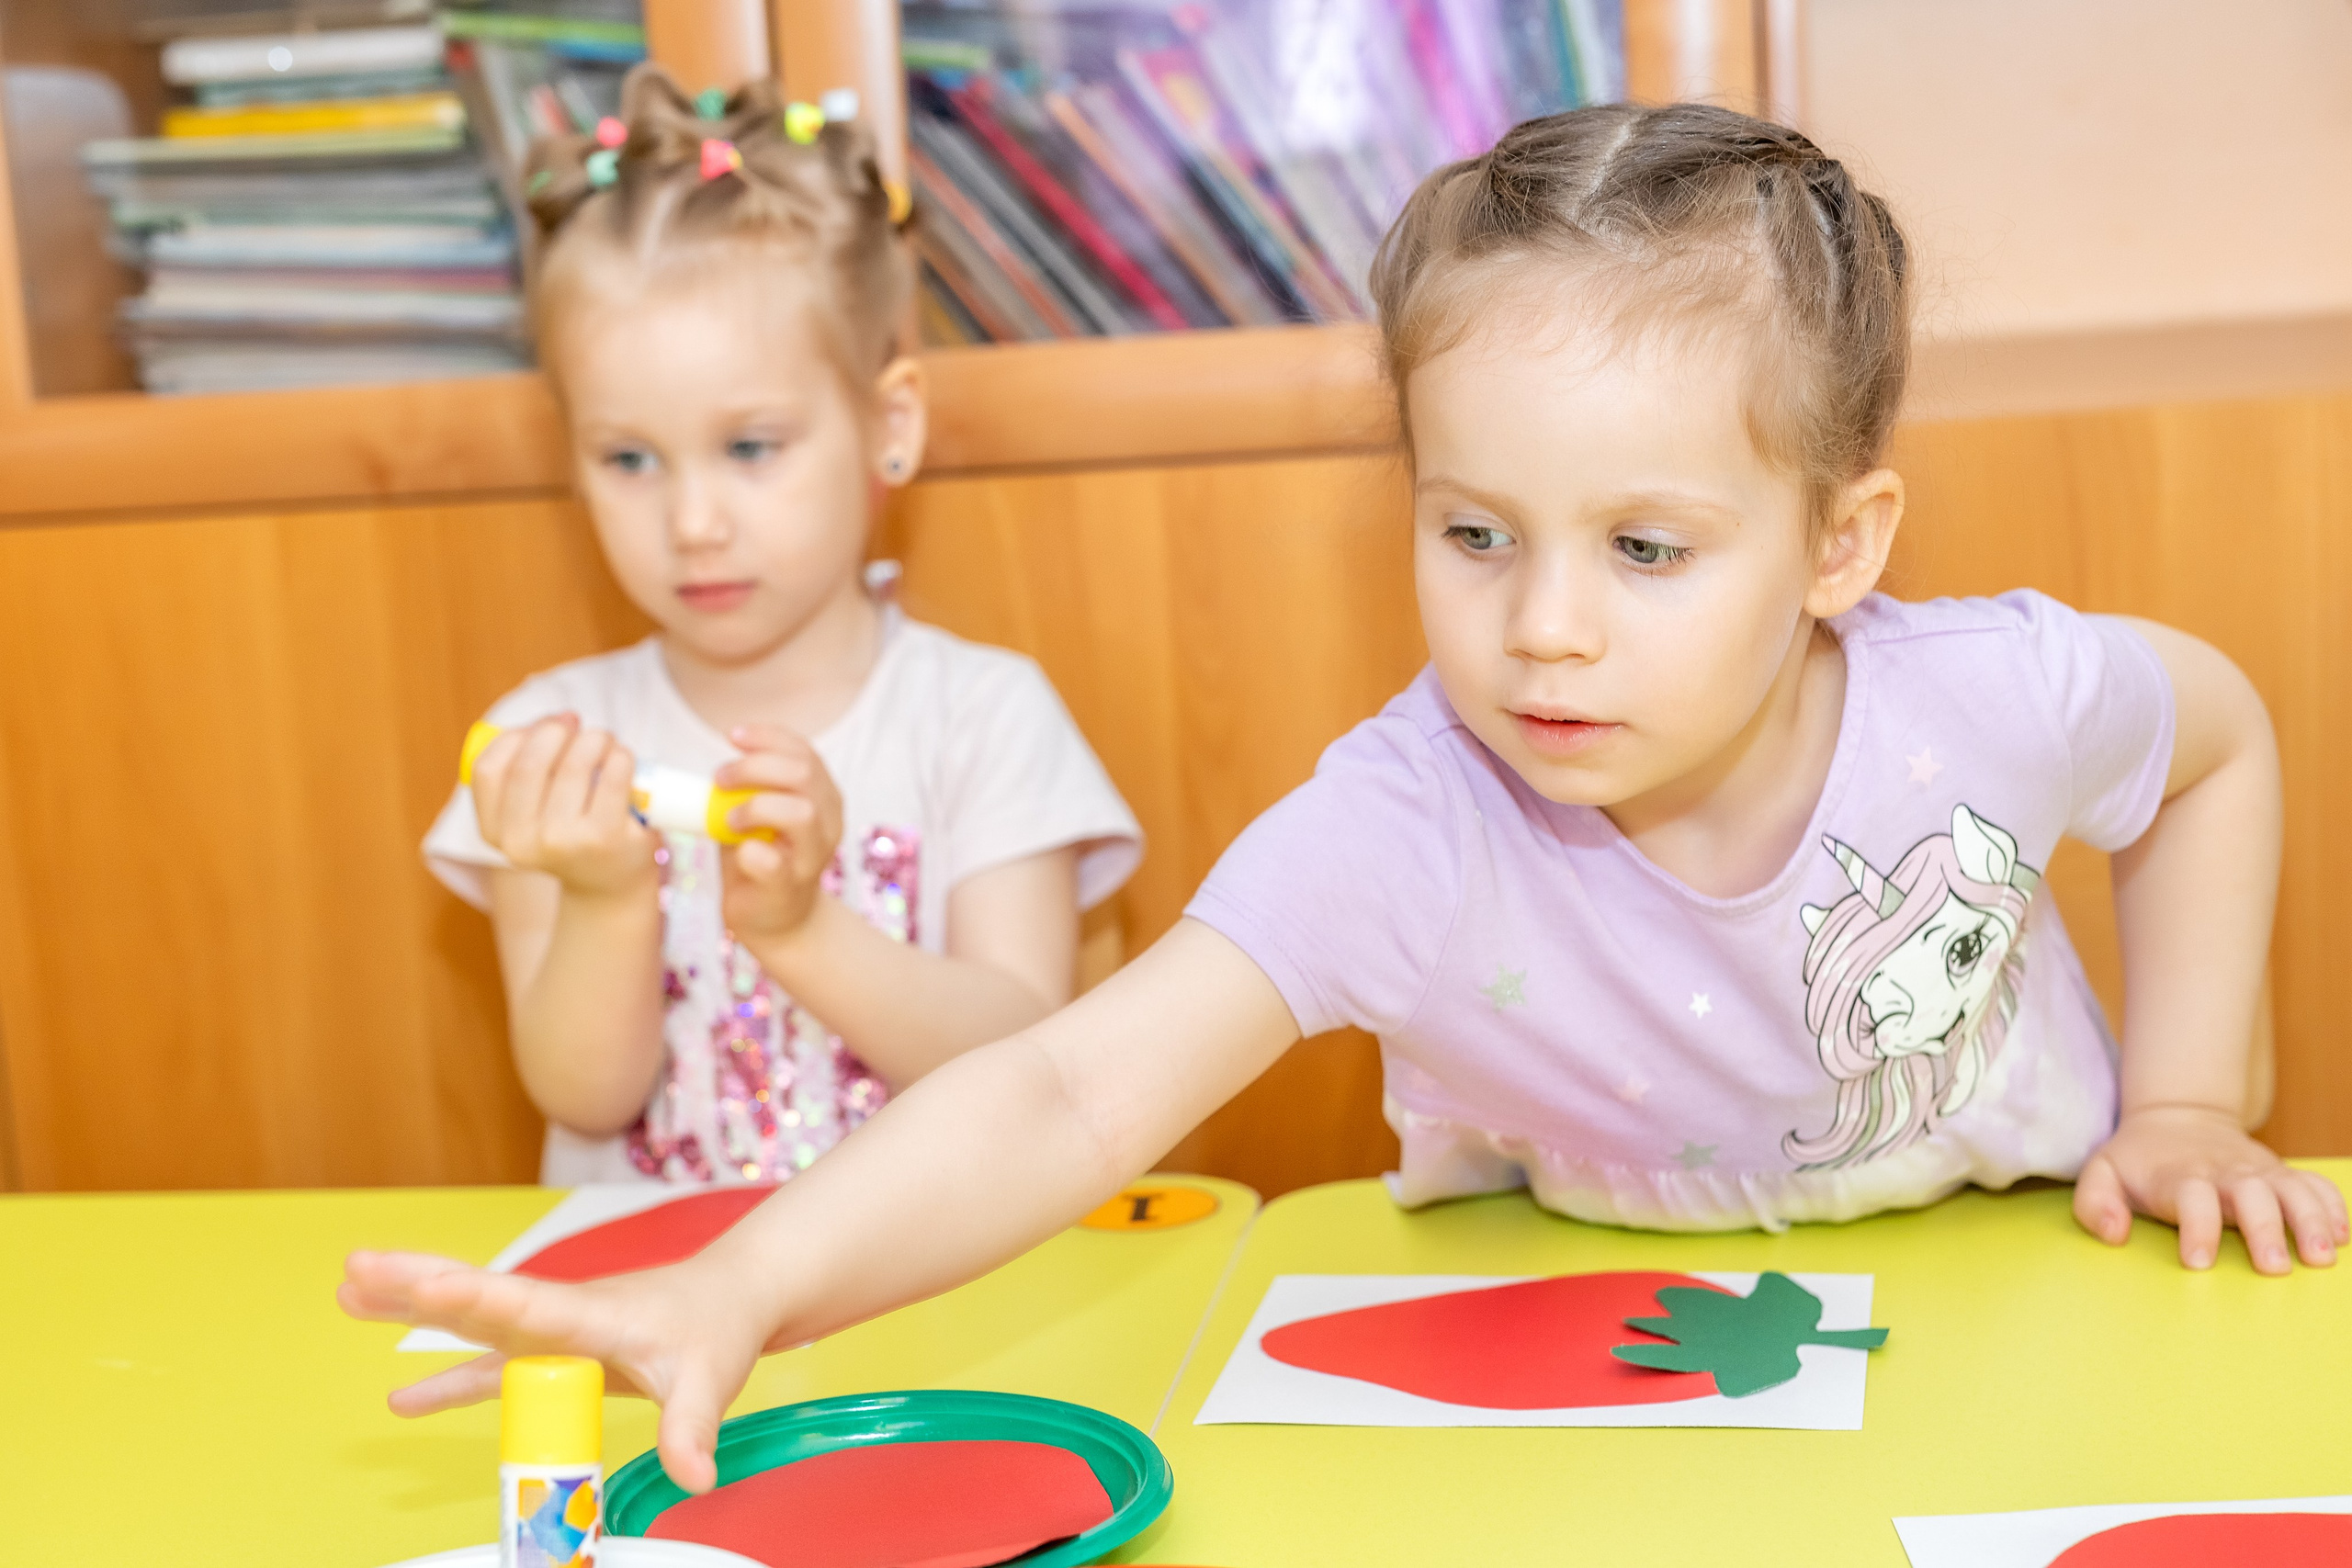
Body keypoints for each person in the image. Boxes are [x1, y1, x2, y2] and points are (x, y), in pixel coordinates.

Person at [350, 103, 2345, 1489]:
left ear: (1839, 542)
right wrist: (747, 1280)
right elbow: (1064, 1088)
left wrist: (2182, 1096)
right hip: (1588, 1325)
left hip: (2023, 1286)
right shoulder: (1410, 814)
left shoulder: (1985, 693)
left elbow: (2219, 734)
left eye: (1644, 549)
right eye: (1471, 531)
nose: (1539, 631)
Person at [420, 67, 1140, 1188]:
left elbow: (1026, 1063)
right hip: (648, 1311)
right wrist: (610, 895)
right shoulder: (550, 738)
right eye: (627, 459)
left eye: (750, 447)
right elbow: (580, 1095)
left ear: (887, 424)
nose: (693, 523)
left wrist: (803, 930)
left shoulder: (983, 718)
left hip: (930, 1300)